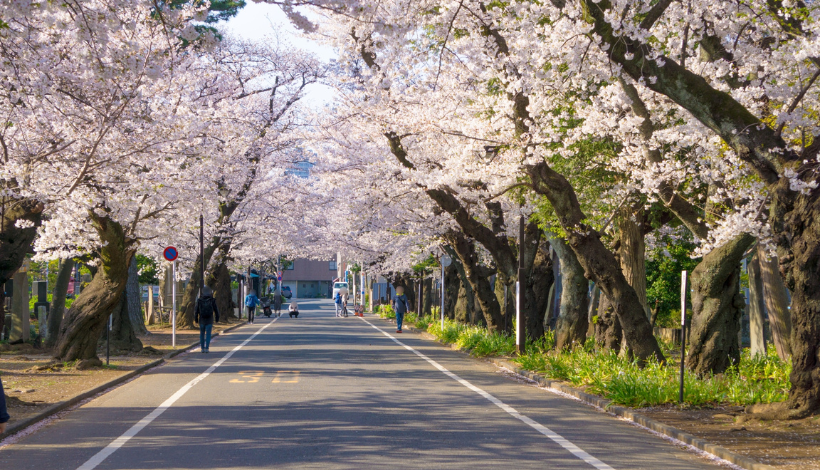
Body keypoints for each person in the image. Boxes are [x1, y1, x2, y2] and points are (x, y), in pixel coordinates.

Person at [195, 286, 220, 353]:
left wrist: (196, 319)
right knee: (208, 334)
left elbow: (196, 310)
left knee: (202, 334)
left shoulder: (199, 300)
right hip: (209, 319)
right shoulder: (212, 300)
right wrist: (217, 318)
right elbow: (216, 310)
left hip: (202, 319)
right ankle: (207, 348)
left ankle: (202, 348)